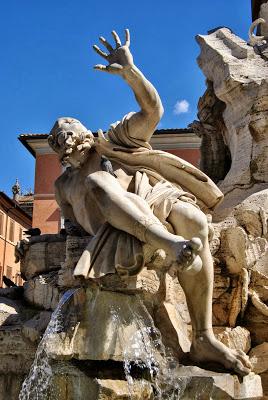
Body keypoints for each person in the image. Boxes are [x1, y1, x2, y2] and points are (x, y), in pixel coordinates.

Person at [48, 29, 252, 376]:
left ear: (84, 134)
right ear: (59, 152)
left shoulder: (113, 142)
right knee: (100, 181)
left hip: (151, 196)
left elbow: (153, 110)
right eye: (59, 137)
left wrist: (130, 72)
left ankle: (203, 337)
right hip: (114, 227)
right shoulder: (64, 185)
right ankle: (169, 243)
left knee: (195, 220)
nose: (66, 136)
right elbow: (70, 229)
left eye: (71, 130)